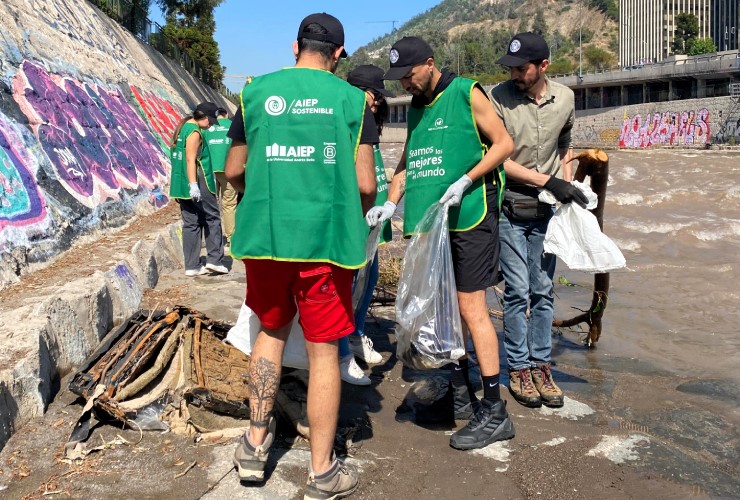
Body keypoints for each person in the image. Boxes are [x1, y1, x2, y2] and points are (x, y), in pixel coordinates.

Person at [224, 12, 377, 499]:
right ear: (337, 56)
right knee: (323, 350)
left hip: (268, 241)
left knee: (269, 333)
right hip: (325, 244)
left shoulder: (253, 93)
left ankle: (253, 447)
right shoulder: (354, 101)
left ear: (295, 47)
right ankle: (323, 472)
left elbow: (232, 171)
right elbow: (366, 185)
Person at [374, 36, 515, 450]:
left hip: (470, 216)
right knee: (443, 313)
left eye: (409, 75)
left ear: (430, 64)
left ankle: (494, 411)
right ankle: (459, 395)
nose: (404, 85)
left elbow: (505, 144)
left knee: (472, 309)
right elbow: (406, 164)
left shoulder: (465, 91)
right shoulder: (416, 108)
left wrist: (467, 179)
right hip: (433, 226)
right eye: (398, 78)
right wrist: (389, 203)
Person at [491, 32, 588, 409]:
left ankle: (540, 365)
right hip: (510, 207)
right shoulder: (498, 99)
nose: (514, 73)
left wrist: (564, 183)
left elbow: (564, 144)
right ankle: (517, 367)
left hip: (548, 211)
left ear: (543, 66)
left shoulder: (565, 98)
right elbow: (499, 157)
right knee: (516, 291)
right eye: (511, 67)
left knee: (543, 291)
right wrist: (546, 181)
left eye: (521, 67)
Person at [337, 64, 394, 386]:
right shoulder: (345, 121)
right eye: (371, 95)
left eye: (378, 98)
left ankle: (356, 334)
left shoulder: (369, 122)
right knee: (348, 284)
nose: (375, 103)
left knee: (368, 278)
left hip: (374, 217)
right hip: (355, 217)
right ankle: (342, 349)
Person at [168, 101, 228, 276]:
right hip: (198, 179)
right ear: (202, 117)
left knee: (191, 222)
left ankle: (192, 265)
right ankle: (215, 260)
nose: (210, 124)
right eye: (209, 120)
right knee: (212, 217)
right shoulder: (194, 131)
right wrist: (194, 185)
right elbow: (190, 159)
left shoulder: (183, 128)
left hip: (181, 181)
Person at [206, 107, 238, 250]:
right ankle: (231, 239)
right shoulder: (232, 126)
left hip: (209, 171)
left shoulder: (208, 128)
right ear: (227, 115)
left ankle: (213, 240)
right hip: (228, 170)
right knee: (229, 204)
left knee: (211, 206)